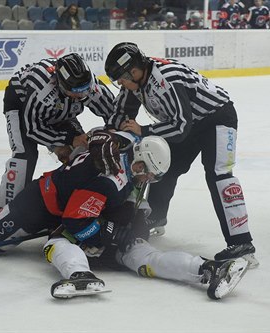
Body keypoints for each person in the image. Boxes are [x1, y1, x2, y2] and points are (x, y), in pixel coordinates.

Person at [0, 131, 249, 300]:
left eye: (151, 178)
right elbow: (79, 222)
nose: (147, 181)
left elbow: (116, 139)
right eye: (146, 174)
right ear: (139, 162)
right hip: (41, 204)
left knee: (139, 252)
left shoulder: (130, 161)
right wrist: (107, 230)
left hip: (74, 205)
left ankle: (206, 269)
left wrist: (128, 226)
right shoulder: (111, 180)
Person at [104, 42, 258, 267]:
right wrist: (111, 133)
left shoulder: (167, 79)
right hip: (190, 124)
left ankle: (242, 242)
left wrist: (143, 131)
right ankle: (156, 216)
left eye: (122, 78)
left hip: (218, 118)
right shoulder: (134, 82)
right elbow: (121, 114)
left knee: (219, 175)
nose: (120, 84)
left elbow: (180, 126)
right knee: (162, 166)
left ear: (135, 71)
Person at [0, 53, 115, 210]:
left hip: (60, 106)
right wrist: (67, 139)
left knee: (82, 151)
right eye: (77, 92)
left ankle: (77, 203)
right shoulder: (42, 90)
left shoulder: (87, 84)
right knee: (24, 157)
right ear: (62, 86)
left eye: (86, 90)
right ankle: (4, 211)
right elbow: (33, 129)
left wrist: (114, 132)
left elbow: (112, 112)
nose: (83, 95)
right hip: (22, 104)